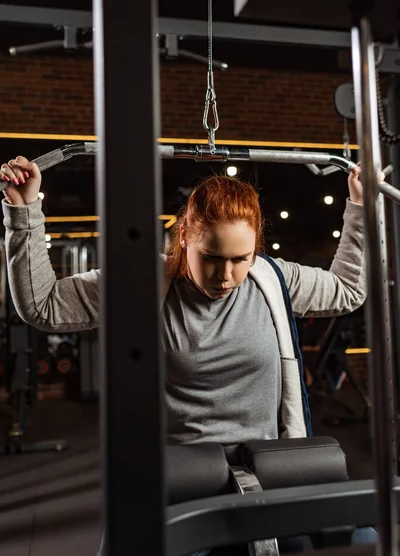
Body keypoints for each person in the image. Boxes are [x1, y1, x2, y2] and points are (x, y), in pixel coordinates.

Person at [0, 155, 379, 553]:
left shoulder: (273, 280)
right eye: (211, 257)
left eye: (240, 259)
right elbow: (43, 305)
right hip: (180, 478)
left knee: (362, 537)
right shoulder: (142, 282)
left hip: (269, 467)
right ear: (184, 237)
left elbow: (349, 289)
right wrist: (23, 211)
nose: (226, 275)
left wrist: (359, 205)